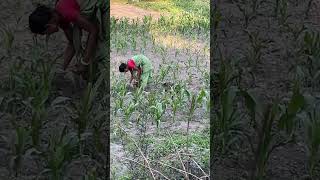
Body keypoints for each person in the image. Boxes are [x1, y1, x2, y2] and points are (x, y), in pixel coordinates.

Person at [28, 0, 107, 81]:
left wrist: (84, 62)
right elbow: (72, 42)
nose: (49, 34)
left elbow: (93, 30)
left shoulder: (66, 13)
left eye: (46, 33)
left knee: (105, 45)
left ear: (48, 26)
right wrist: (62, 69)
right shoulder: (59, 17)